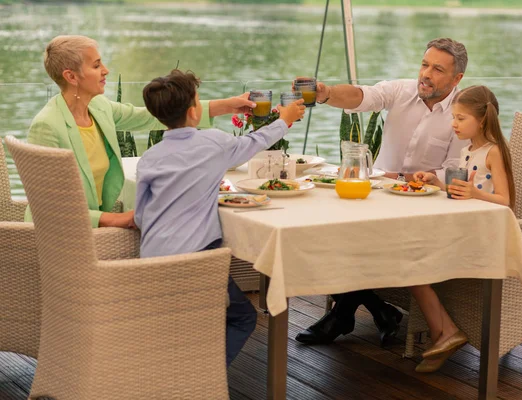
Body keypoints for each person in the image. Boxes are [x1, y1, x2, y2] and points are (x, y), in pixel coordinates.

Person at [295, 37, 470, 346]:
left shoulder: (462, 114)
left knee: (358, 239)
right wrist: (325, 93)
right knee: (326, 229)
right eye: (424, 64)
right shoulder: (402, 90)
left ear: (457, 79)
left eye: (438, 69)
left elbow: (456, 171)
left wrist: (405, 177)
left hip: (426, 207)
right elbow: (364, 96)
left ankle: (342, 315)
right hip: (377, 196)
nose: (426, 74)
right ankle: (379, 311)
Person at [136, 69, 305, 366]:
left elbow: (140, 215)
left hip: (150, 262)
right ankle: (201, 377)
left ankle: (172, 370)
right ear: (194, 111)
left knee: (178, 323)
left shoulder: (150, 157)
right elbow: (256, 142)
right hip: (196, 263)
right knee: (242, 318)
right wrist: (285, 119)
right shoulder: (214, 142)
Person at [26, 35, 255, 228]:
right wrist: (119, 219)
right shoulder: (47, 127)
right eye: (96, 66)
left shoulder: (98, 107)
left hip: (93, 228)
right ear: (71, 76)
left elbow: (148, 116)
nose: (105, 71)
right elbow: (48, 206)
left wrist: (227, 105)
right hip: (60, 237)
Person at [411, 85, 515, 372]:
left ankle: (444, 335)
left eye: (460, 119)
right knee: (410, 259)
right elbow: (464, 191)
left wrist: (473, 193)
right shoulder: (469, 150)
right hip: (464, 225)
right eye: (453, 117)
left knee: (413, 265)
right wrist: (438, 183)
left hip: (481, 235)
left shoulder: (494, 152)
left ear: (481, 120)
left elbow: (504, 201)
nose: (453, 124)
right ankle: (444, 335)